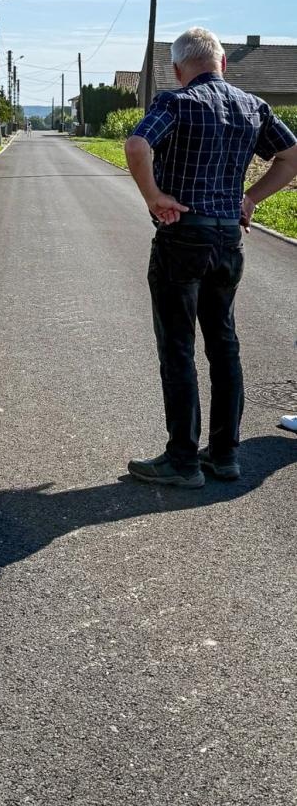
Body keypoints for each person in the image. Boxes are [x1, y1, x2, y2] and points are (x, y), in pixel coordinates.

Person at [124, 27, 297, 487]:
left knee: (178, 346)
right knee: (223, 344)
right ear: (223, 64)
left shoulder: (175, 102)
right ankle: (224, 455)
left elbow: (137, 145)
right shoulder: (252, 106)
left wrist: (154, 196)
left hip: (183, 236)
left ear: (179, 70)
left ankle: (182, 460)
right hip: (227, 239)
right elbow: (292, 156)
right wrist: (251, 199)